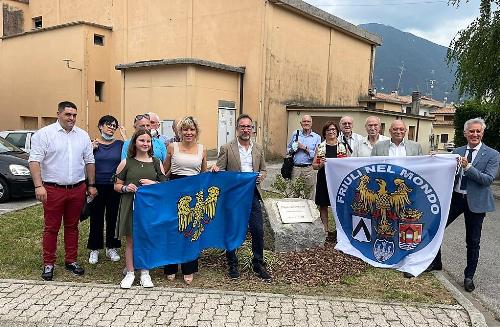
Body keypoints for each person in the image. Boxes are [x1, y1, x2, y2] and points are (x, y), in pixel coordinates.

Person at [28, 101, 96, 281]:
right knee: (51, 228)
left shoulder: (82, 135)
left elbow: (89, 161)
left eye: (74, 115)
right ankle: (48, 263)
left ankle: (71, 260)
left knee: (72, 227)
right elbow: (34, 161)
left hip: (77, 188)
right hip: (52, 189)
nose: (71, 118)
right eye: (68, 114)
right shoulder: (44, 135)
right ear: (58, 114)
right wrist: (38, 185)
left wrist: (91, 184)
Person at [430, 118, 499, 292]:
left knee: (473, 241)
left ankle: (469, 276)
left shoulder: (492, 154)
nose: (474, 134)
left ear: (482, 133)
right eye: (471, 131)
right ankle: (436, 262)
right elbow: (444, 170)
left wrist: (468, 167)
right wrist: (433, 160)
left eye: (478, 131)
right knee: (435, 228)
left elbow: (487, 180)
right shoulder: (457, 151)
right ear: (465, 133)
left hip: (476, 202)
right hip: (455, 198)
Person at [214, 114, 271, 281]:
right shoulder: (226, 148)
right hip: (234, 195)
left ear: (252, 129)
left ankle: (258, 263)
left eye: (249, 127)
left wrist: (262, 176)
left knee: (257, 230)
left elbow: (264, 169)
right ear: (237, 129)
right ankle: (232, 263)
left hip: (252, 193)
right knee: (232, 229)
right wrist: (216, 170)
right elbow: (220, 170)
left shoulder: (259, 148)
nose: (246, 130)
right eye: (242, 127)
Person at [114, 129, 167, 289]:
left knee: (146, 238)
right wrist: (125, 188)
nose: (145, 144)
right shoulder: (126, 162)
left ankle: (145, 273)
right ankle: (130, 273)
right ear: (135, 143)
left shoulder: (157, 162)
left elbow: (166, 186)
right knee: (130, 240)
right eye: (141, 140)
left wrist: (154, 184)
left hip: (149, 208)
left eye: (148, 141)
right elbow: (116, 185)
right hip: (131, 205)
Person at [162, 116, 208, 285]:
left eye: (192, 129)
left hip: (194, 193)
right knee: (173, 229)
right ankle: (171, 267)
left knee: (190, 231)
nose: (189, 133)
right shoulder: (172, 147)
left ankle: (189, 268)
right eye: (185, 129)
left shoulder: (202, 149)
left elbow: (204, 175)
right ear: (180, 131)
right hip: (174, 191)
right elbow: (164, 172)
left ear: (196, 132)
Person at [87, 115, 123, 265]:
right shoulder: (93, 144)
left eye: (114, 126)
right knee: (96, 217)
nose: (111, 128)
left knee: (113, 217)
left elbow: (129, 154)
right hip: (97, 186)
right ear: (100, 126)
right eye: (108, 125)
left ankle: (111, 247)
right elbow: (85, 162)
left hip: (114, 186)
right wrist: (91, 185)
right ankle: (94, 249)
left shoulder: (120, 144)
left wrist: (125, 135)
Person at [312, 121, 349, 231]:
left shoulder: (343, 146)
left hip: (338, 179)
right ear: (324, 133)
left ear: (337, 132)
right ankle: (325, 230)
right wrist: (320, 164)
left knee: (338, 205)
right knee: (323, 205)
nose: (331, 132)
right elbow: (314, 165)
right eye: (328, 130)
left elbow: (348, 163)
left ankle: (339, 230)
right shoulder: (320, 147)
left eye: (333, 129)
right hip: (323, 178)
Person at [286, 115, 321, 200]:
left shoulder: (317, 137)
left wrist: (305, 148)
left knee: (309, 194)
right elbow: (288, 150)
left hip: (309, 168)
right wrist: (293, 149)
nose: (306, 123)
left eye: (308, 121)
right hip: (295, 168)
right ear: (301, 123)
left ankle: (309, 212)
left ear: (311, 123)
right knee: (293, 194)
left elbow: (317, 155)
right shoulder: (296, 134)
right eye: (304, 121)